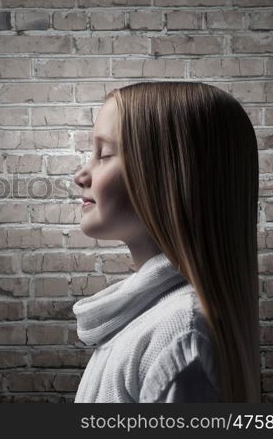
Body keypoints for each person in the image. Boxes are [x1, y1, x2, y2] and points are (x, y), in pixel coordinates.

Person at [71, 81, 260, 403]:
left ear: (167, 175)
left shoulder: (178, 333)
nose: (80, 175)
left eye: (104, 154)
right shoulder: (150, 324)